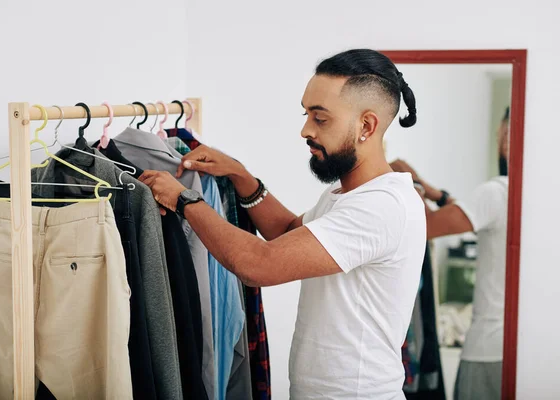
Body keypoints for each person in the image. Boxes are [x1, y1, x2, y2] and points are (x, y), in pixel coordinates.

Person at [139, 49, 427, 399]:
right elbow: (289, 233)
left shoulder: (381, 207)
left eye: (320, 119)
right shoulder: (349, 196)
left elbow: (260, 264)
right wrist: (241, 176)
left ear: (367, 125)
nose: (306, 130)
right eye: (306, 115)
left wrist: (185, 200)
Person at [390, 106, 511, 400]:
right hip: (518, 348)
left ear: (509, 136)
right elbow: (472, 215)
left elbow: (425, 226)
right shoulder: (525, 193)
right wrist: (430, 190)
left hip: (488, 350)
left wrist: (408, 184)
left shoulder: (496, 192)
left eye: (501, 133)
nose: (499, 140)